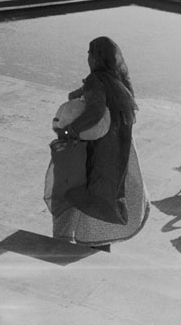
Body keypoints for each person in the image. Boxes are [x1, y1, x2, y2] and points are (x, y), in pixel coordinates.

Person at [46, 36, 149, 250]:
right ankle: (100, 245)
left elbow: (95, 111)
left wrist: (69, 130)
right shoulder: (118, 79)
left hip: (99, 149)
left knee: (85, 192)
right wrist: (81, 91)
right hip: (120, 148)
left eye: (89, 53)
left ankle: (81, 244)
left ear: (96, 57)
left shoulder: (97, 79)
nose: (87, 57)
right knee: (108, 193)